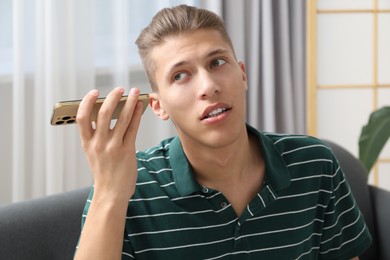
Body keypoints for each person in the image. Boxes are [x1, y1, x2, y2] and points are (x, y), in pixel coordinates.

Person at [74, 5, 371, 260]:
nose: (208, 86)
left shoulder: (315, 164)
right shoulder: (126, 185)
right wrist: (110, 193)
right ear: (158, 105)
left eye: (217, 62)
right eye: (180, 76)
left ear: (242, 74)